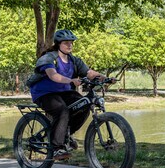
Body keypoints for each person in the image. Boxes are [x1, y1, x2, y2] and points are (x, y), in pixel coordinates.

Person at [27, 29, 112, 160]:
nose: (70, 45)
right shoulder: (49, 58)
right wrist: (71, 80)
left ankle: (64, 135)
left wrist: (104, 78)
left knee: (83, 105)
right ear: (58, 44)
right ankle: (57, 148)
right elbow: (53, 75)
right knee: (62, 111)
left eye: (71, 42)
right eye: (66, 43)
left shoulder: (73, 60)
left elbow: (89, 73)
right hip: (44, 93)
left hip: (63, 92)